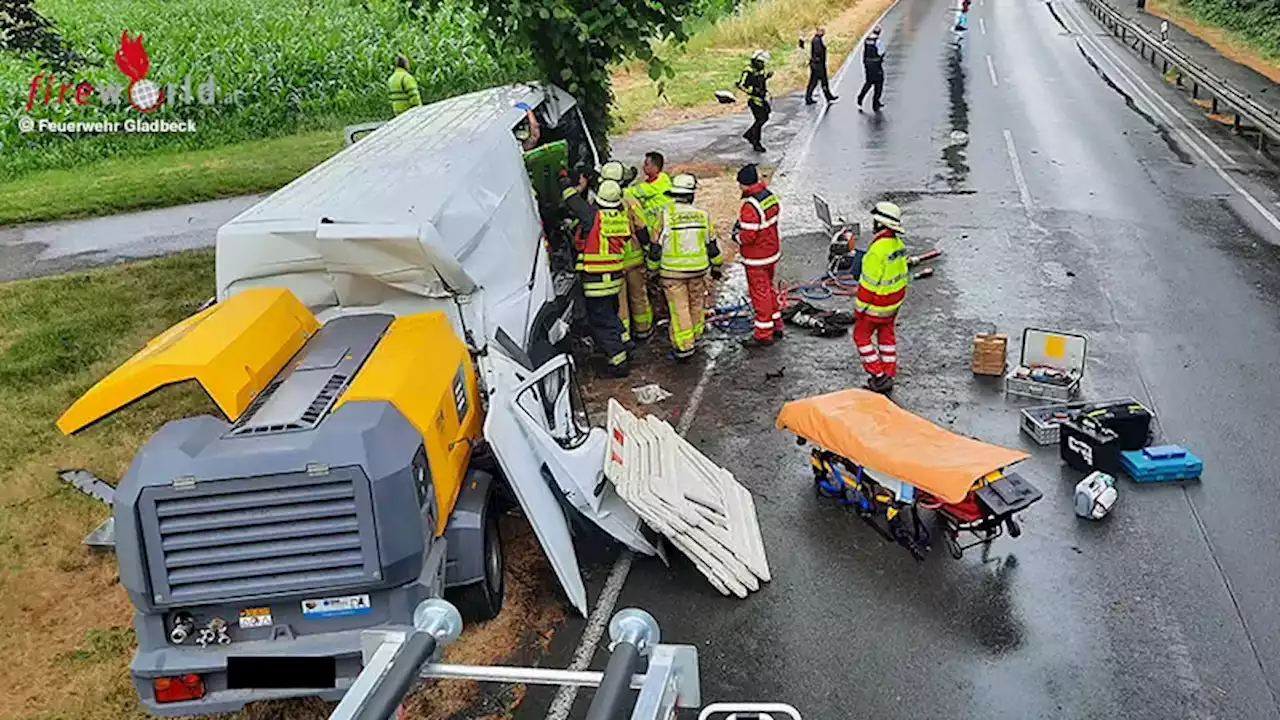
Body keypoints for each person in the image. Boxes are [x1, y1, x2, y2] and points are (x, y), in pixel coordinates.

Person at [562, 176, 635, 377]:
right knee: (610, 315)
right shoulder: (621, 218)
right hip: (614, 278)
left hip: (596, 281)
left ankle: (617, 361)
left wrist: (566, 182)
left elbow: (572, 201)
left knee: (601, 321)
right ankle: (625, 344)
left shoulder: (594, 216)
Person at [646, 174, 724, 361]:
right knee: (696, 303)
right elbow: (711, 245)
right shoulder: (702, 215)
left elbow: (656, 247)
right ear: (691, 195)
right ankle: (695, 335)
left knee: (679, 308)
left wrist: (652, 270)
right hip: (698, 270)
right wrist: (716, 267)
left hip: (673, 272)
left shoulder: (665, 216)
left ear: (674, 194)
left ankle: (684, 346)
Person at [853, 201, 908, 393]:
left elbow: (867, 286)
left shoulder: (876, 251)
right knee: (886, 335)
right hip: (893, 305)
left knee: (861, 336)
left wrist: (859, 309)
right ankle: (889, 373)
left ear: (880, 224)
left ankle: (878, 375)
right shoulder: (898, 245)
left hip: (876, 306)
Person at [597, 160, 654, 344]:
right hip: (634, 259)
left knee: (619, 302)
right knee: (639, 296)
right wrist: (647, 247)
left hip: (614, 261)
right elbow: (642, 227)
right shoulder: (629, 199)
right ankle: (643, 329)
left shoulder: (598, 201)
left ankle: (624, 336)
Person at [735, 164, 782, 347]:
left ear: (745, 184)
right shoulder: (768, 196)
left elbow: (747, 237)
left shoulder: (749, 205)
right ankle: (776, 323)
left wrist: (736, 236)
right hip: (771, 252)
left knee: (759, 294)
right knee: (769, 289)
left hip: (756, 258)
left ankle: (763, 334)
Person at [737, 50, 773, 153]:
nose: (762, 65)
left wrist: (766, 77)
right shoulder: (748, 71)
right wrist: (752, 91)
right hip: (754, 100)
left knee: (765, 117)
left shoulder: (760, 70)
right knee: (760, 119)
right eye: (761, 62)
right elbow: (740, 84)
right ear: (756, 61)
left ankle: (750, 134)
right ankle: (756, 142)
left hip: (762, 97)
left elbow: (759, 81)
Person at [805, 27, 838, 105]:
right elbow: (818, 52)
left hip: (816, 64)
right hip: (818, 65)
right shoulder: (817, 41)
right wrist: (819, 60)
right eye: (822, 31)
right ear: (818, 32)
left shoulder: (817, 39)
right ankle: (826, 96)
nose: (824, 33)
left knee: (815, 82)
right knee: (821, 81)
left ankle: (810, 97)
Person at [857, 27, 886, 112]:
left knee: (868, 82)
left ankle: (860, 98)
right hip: (876, 65)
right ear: (879, 33)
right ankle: (875, 103)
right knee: (879, 84)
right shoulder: (878, 41)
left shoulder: (867, 40)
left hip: (867, 64)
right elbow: (881, 52)